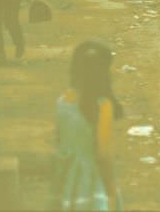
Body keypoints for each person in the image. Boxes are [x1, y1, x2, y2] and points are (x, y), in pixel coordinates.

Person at [49, 41, 123, 211]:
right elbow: (104, 155)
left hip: (64, 179)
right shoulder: (102, 107)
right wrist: (111, 189)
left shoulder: (62, 102)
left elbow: (60, 143)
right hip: (91, 181)